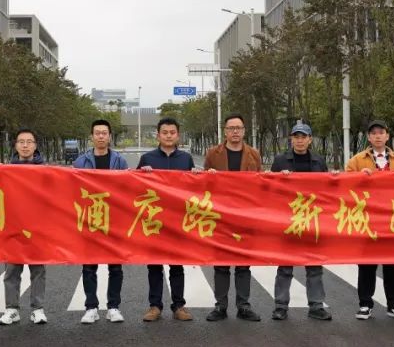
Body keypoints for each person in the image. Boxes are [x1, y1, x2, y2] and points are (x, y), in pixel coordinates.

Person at [345, 120, 394, 320]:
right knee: (367, 264)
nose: (377, 136)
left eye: (381, 132)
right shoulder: (357, 160)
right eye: (373, 133)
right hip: (369, 219)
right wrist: (358, 176)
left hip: (393, 220)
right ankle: (365, 304)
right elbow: (344, 184)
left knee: (393, 264)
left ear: (387, 136)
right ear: (368, 137)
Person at [203, 114, 262, 322]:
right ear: (225, 131)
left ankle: (243, 305)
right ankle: (221, 305)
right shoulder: (213, 154)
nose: (235, 132)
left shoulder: (254, 155)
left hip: (245, 216)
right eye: (231, 128)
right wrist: (208, 176)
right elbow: (202, 186)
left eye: (238, 128)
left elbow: (261, 185)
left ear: (244, 131)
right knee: (221, 264)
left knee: (244, 264)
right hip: (221, 216)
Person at [270, 122, 331, 322]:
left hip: (313, 222)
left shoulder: (319, 162)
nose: (299, 140)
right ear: (291, 139)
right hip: (288, 222)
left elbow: (328, 191)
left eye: (303, 137)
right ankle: (280, 306)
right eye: (296, 136)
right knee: (285, 267)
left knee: (314, 267)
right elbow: (269, 189)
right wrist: (280, 179)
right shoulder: (280, 161)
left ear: (310, 140)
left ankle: (316, 306)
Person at [137, 117, 196, 322]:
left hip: (178, 219)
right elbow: (134, 186)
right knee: (154, 265)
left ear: (178, 135)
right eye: (165, 132)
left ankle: (179, 305)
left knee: (177, 265)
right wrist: (141, 174)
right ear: (158, 135)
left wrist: (198, 176)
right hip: (154, 220)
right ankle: (155, 306)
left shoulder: (186, 159)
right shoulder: (147, 158)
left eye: (172, 132)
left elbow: (194, 188)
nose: (169, 135)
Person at [72, 119, 129, 324]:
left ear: (110, 136)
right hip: (90, 219)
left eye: (104, 133)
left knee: (115, 267)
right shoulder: (81, 162)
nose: (101, 136)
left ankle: (113, 306)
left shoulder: (120, 161)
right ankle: (91, 307)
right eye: (97, 133)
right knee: (89, 267)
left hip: (113, 221)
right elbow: (72, 189)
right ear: (92, 136)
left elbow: (127, 188)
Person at [0, 129, 49, 326]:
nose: (25, 145)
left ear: (35, 145)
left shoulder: (45, 171)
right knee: (12, 270)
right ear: (16, 145)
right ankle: (12, 309)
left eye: (29, 142)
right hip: (13, 227)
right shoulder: (5, 171)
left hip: (37, 228)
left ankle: (38, 309)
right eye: (21, 142)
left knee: (38, 270)